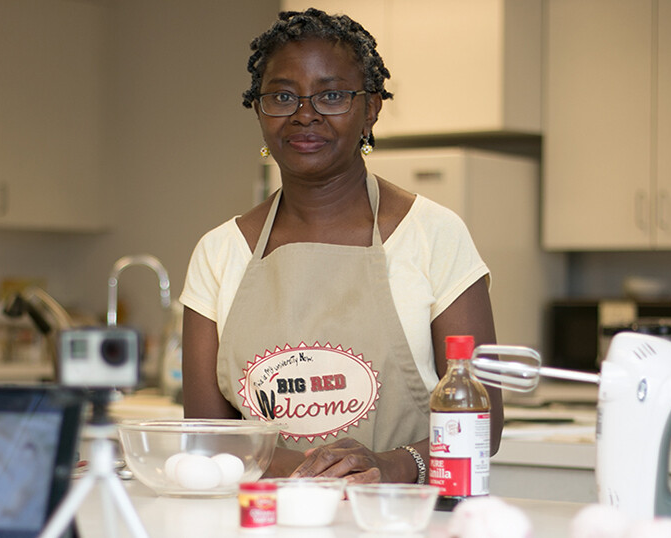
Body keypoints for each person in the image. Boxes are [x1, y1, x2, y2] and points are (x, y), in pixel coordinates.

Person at [180, 8, 503, 484]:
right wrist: (319, 471)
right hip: (267, 518)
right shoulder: (219, 253)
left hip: (403, 518)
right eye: (283, 96)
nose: (304, 114)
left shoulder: (433, 234)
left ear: (371, 107)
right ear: (258, 108)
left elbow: (483, 421)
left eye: (331, 95)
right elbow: (206, 434)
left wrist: (391, 464)